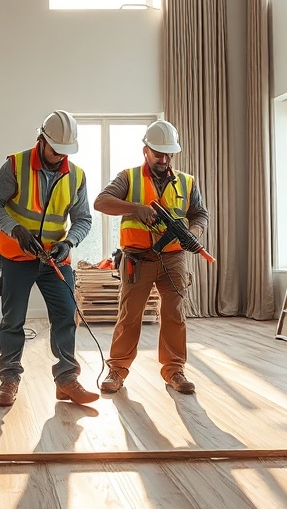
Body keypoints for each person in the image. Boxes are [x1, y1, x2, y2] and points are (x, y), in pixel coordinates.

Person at [0, 110, 99, 406]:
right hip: (16, 257)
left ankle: (67, 380)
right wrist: (14, 228)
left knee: (65, 317)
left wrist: (69, 242)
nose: (59, 156)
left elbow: (83, 219)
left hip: (55, 260)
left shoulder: (77, 176)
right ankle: (9, 378)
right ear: (41, 140)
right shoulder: (16, 165)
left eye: (65, 152)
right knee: (13, 320)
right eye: (55, 149)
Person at [93, 119, 209, 395]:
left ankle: (174, 370)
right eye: (159, 153)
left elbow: (200, 214)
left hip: (174, 258)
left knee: (174, 314)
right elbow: (101, 202)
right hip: (137, 259)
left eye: (169, 153)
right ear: (146, 149)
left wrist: (192, 233)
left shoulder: (187, 182)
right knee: (129, 315)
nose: (164, 158)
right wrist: (136, 209)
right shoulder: (128, 178)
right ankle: (117, 370)